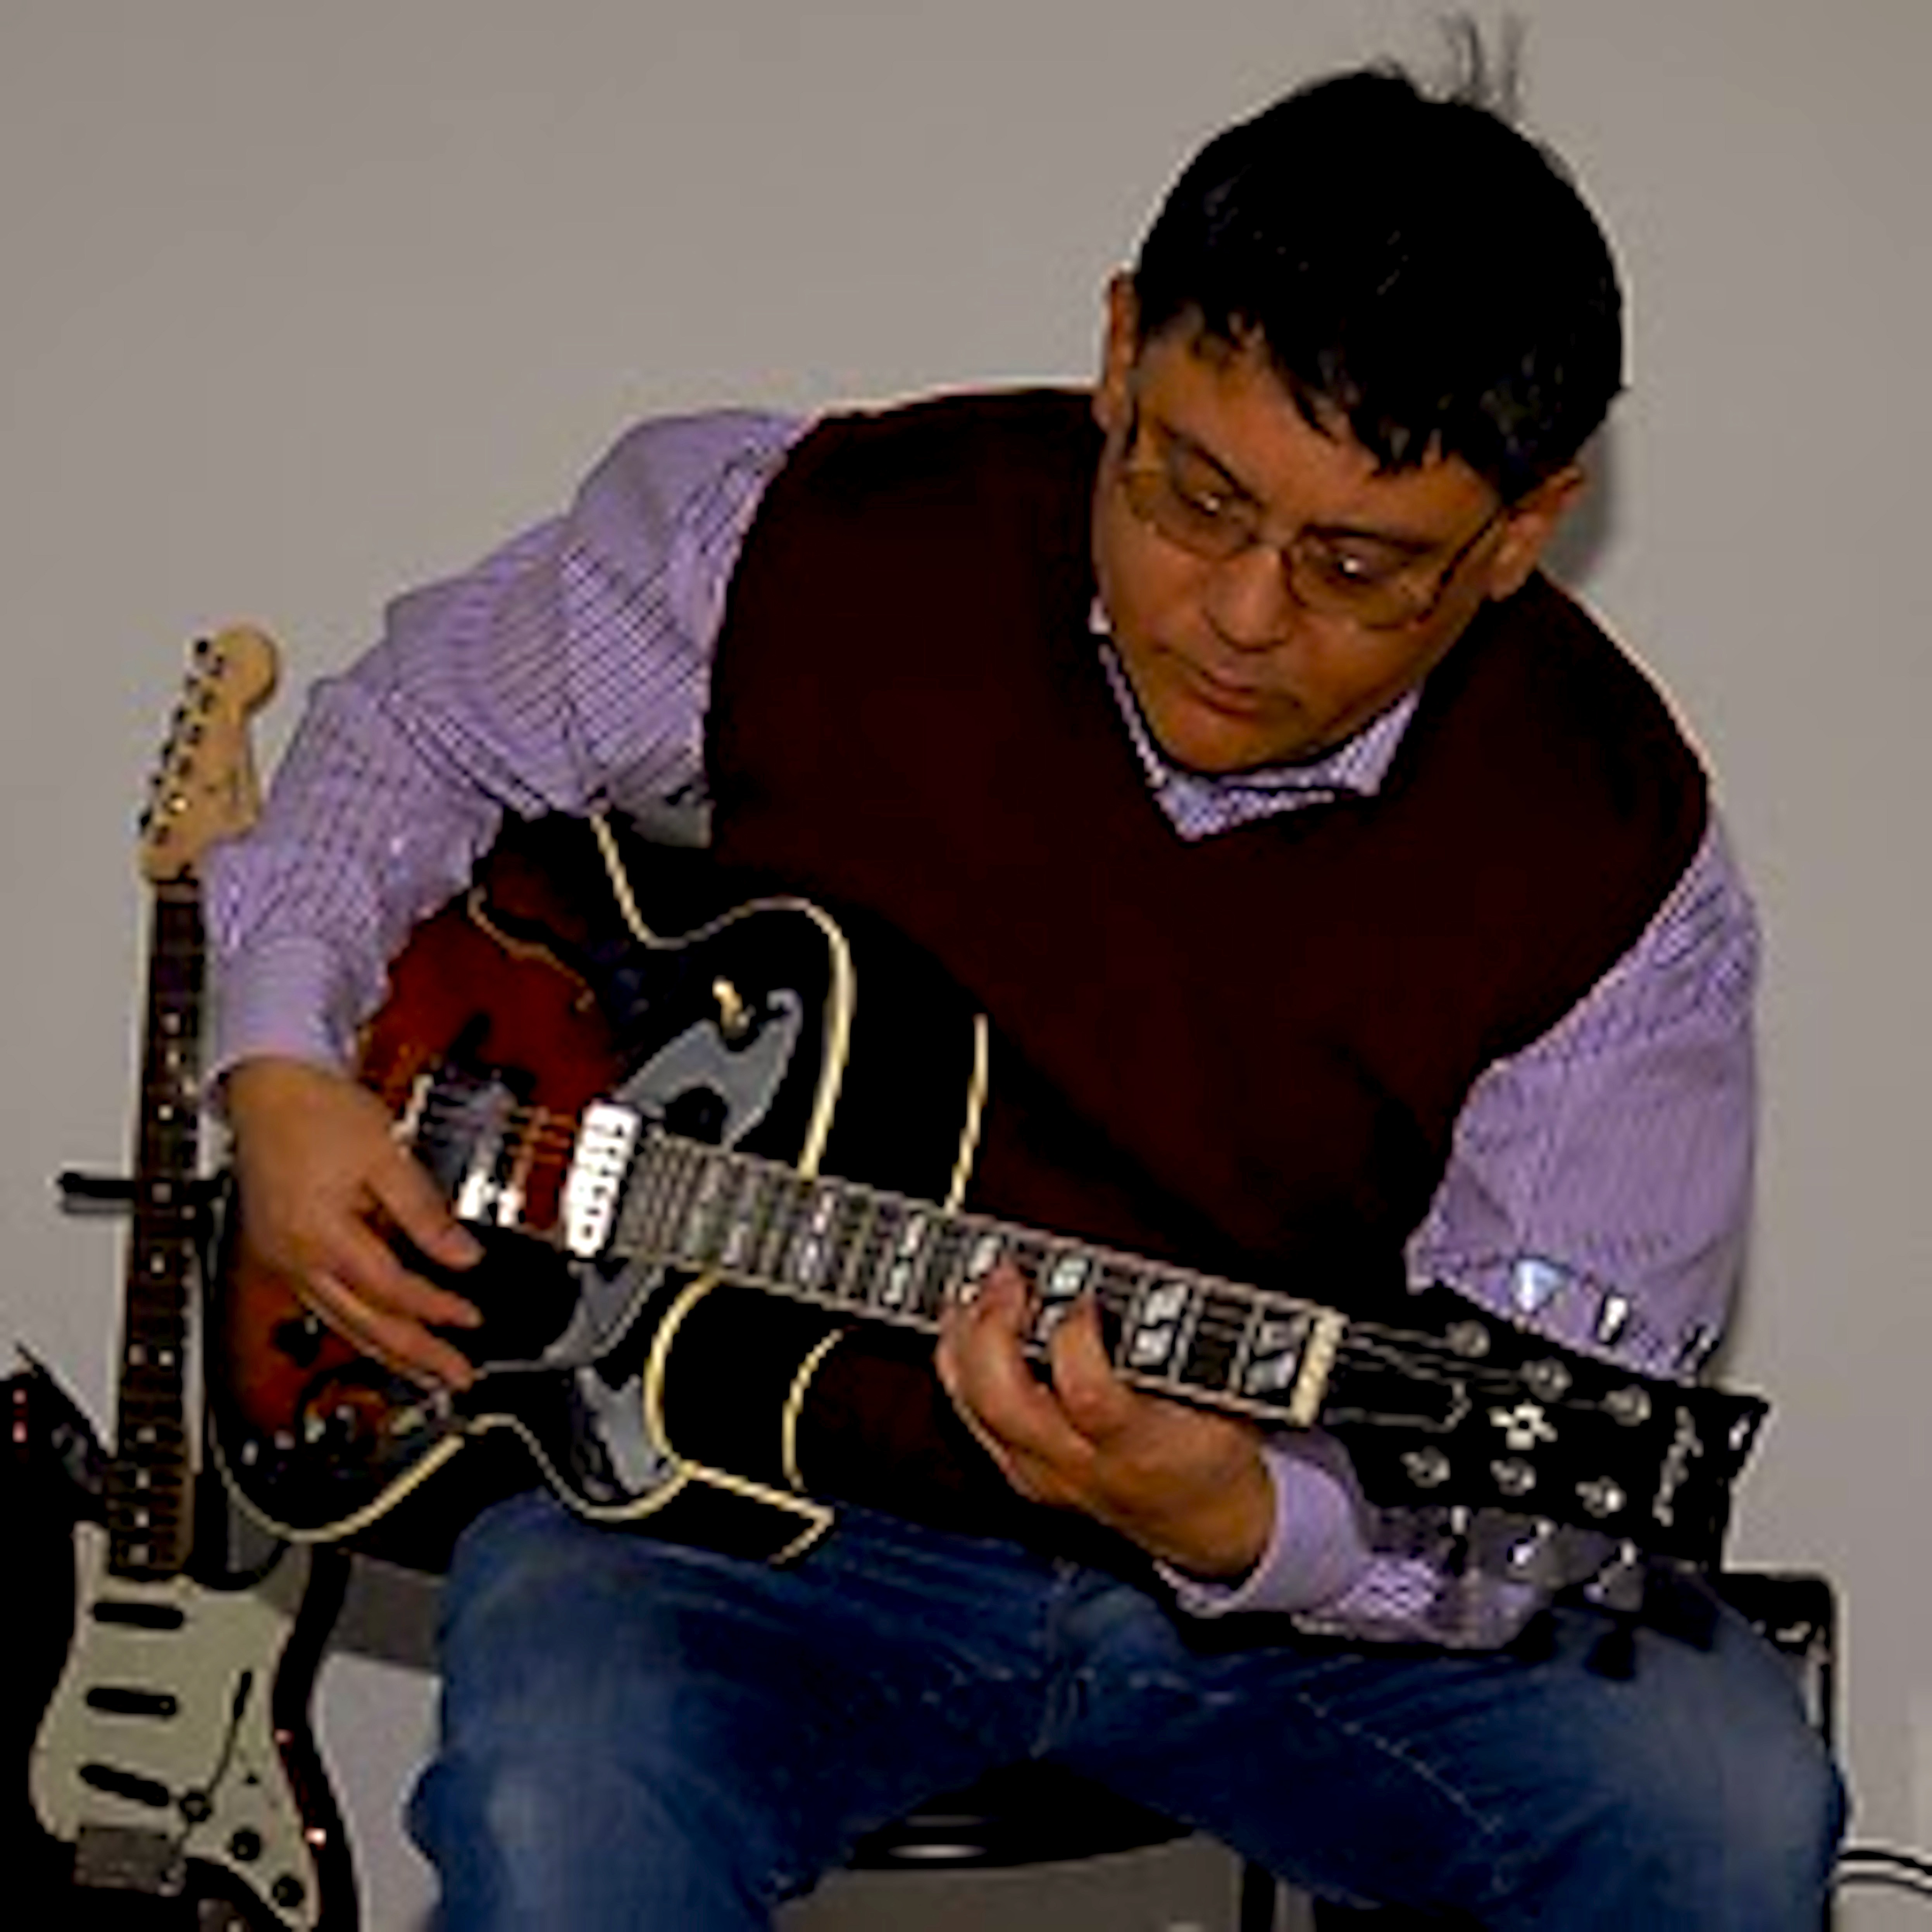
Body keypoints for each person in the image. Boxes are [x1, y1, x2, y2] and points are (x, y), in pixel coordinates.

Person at [206, 42, 1844, 1930]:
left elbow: (1536, 1486)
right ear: (1119, 348)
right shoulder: (805, 536)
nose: (1241, 613)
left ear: (1520, 529)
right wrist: (286, 1064)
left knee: (1719, 1800)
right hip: (734, 1534)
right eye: (1193, 495)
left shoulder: (1609, 861)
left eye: (1355, 566)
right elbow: (418, 729)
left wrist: (1247, 1516)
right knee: (560, 1784)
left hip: (1302, 1600)